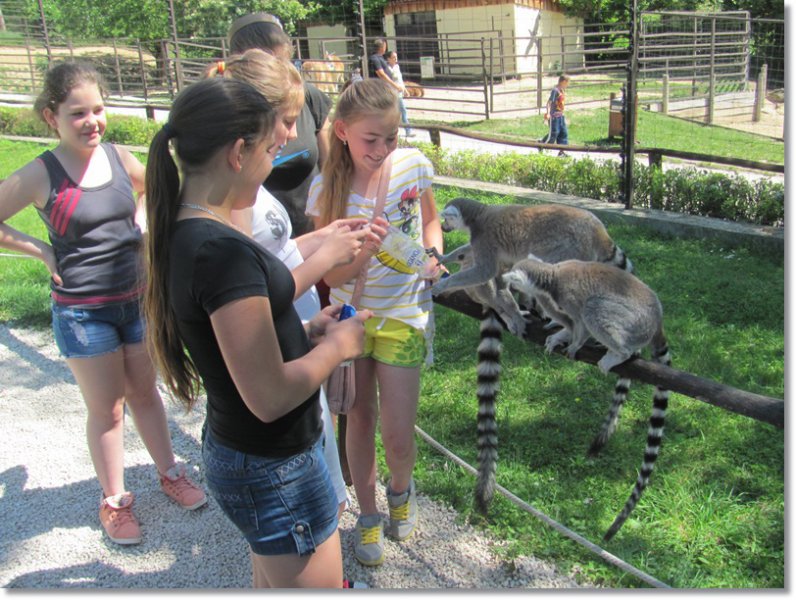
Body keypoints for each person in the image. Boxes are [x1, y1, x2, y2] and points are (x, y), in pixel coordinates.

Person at [143, 76, 372, 588]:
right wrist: (338, 347)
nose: (274, 162)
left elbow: (236, 343)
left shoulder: (192, 228)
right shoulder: (220, 252)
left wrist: (305, 333)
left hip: (250, 454)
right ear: (237, 152)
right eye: (270, 150)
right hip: (275, 463)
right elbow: (268, 398)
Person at [0, 61, 206, 546]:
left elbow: (154, 187)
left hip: (137, 303)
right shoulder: (41, 173)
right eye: (78, 113)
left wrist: (142, 217)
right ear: (51, 117)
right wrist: (40, 249)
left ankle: (170, 474)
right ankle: (114, 501)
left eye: (97, 109)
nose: (92, 121)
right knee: (108, 410)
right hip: (82, 312)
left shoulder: (117, 157)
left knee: (145, 393)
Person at [205, 51, 383, 573]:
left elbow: (268, 266)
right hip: (275, 424)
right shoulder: (229, 216)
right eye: (284, 122)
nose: (291, 134)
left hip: (288, 350)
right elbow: (254, 291)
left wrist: (320, 240)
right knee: (304, 538)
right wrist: (335, 342)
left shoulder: (241, 197)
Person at [306, 78, 445, 567]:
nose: (382, 149)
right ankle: (368, 515)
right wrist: (365, 251)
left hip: (404, 316)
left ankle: (400, 492)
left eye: (391, 137)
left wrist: (433, 256)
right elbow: (330, 276)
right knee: (359, 420)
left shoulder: (413, 165)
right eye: (371, 139)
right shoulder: (325, 189)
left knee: (399, 431)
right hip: (354, 319)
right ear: (343, 131)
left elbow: (430, 222)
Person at [228, 12, 331, 237]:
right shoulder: (232, 133)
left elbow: (330, 166)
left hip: (307, 229)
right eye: (287, 122)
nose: (293, 134)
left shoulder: (306, 96)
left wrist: (327, 228)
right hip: (266, 236)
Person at [385, 50, 413, 138]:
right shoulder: (387, 69)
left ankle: (392, 131)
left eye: (396, 57)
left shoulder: (397, 67)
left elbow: (400, 80)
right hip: (393, 93)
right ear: (388, 59)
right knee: (402, 111)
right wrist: (397, 88)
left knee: (398, 112)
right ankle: (408, 131)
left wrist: (405, 90)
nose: (395, 59)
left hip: (399, 92)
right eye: (393, 57)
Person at [544, 74, 571, 157]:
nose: (568, 85)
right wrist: (548, 113)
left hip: (561, 116)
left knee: (563, 133)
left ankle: (562, 152)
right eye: (567, 83)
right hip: (554, 117)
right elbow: (549, 103)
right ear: (564, 81)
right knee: (554, 133)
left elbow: (561, 105)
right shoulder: (555, 91)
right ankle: (542, 145)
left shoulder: (562, 90)